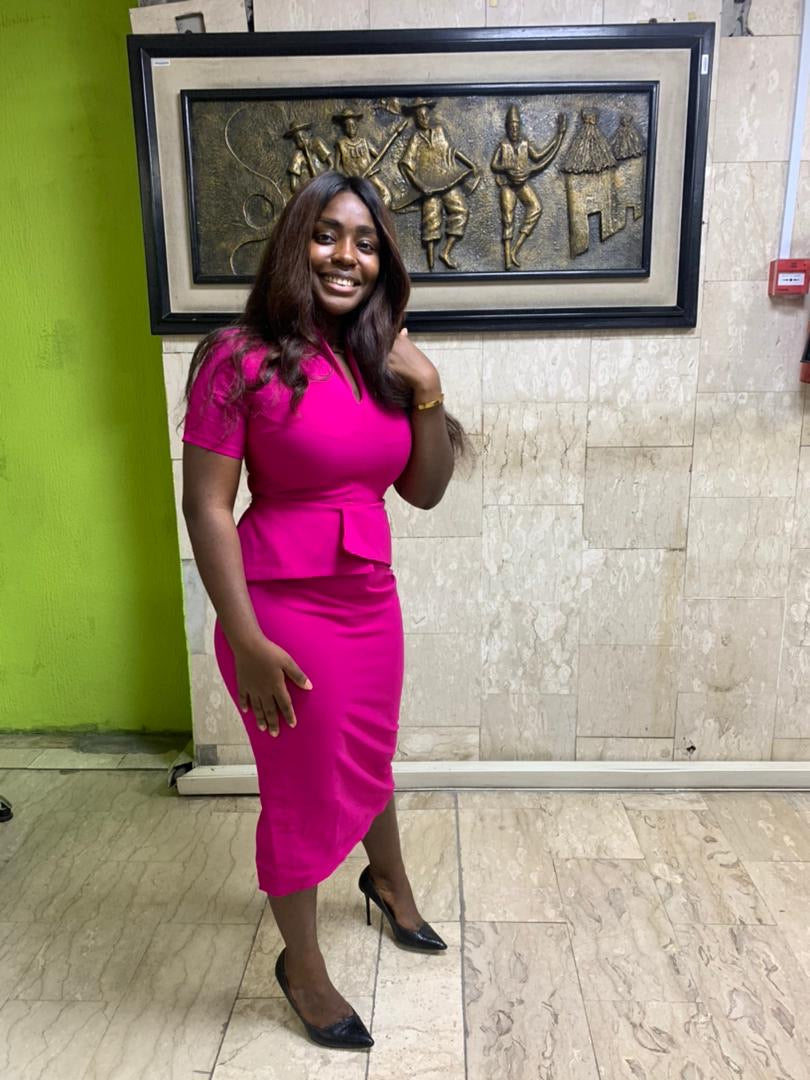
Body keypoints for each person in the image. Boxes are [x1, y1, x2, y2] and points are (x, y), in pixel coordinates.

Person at [181, 171, 464, 1051]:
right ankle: (301, 969)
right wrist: (245, 637)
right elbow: (206, 507)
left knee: (368, 750)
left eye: (367, 241)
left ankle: (388, 884)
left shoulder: (382, 355)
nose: (348, 255)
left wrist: (428, 387)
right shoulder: (239, 355)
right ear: (296, 243)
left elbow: (422, 492)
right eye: (329, 235)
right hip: (277, 608)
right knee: (302, 791)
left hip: (367, 596)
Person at [396, 97, 478, 270]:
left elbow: (452, 151)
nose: (423, 119)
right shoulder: (416, 138)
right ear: (416, 119)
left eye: (425, 115)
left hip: (448, 179)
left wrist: (470, 164)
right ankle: (430, 262)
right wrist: (421, 186)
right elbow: (406, 165)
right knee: (431, 220)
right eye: (419, 117)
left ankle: (446, 252)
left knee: (461, 211)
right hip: (428, 186)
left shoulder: (440, 131)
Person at [490, 104, 567, 269]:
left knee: (536, 207)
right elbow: (494, 165)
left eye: (517, 127)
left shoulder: (525, 143)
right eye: (511, 128)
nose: (514, 131)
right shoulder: (503, 145)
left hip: (523, 184)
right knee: (508, 218)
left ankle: (516, 248)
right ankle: (507, 257)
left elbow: (539, 157)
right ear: (507, 129)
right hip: (507, 186)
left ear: (520, 128)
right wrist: (507, 168)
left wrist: (558, 137)